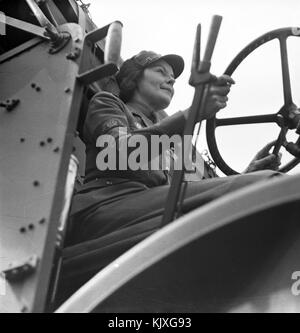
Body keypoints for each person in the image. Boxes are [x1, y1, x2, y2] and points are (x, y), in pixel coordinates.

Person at [68, 50, 281, 245]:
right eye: (160, 72)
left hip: (146, 210)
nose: (170, 79)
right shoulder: (107, 103)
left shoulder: (172, 141)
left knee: (259, 193)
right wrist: (192, 113)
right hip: (105, 208)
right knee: (265, 187)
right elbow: (118, 153)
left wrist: (247, 176)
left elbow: (198, 193)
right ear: (133, 77)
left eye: (173, 78)